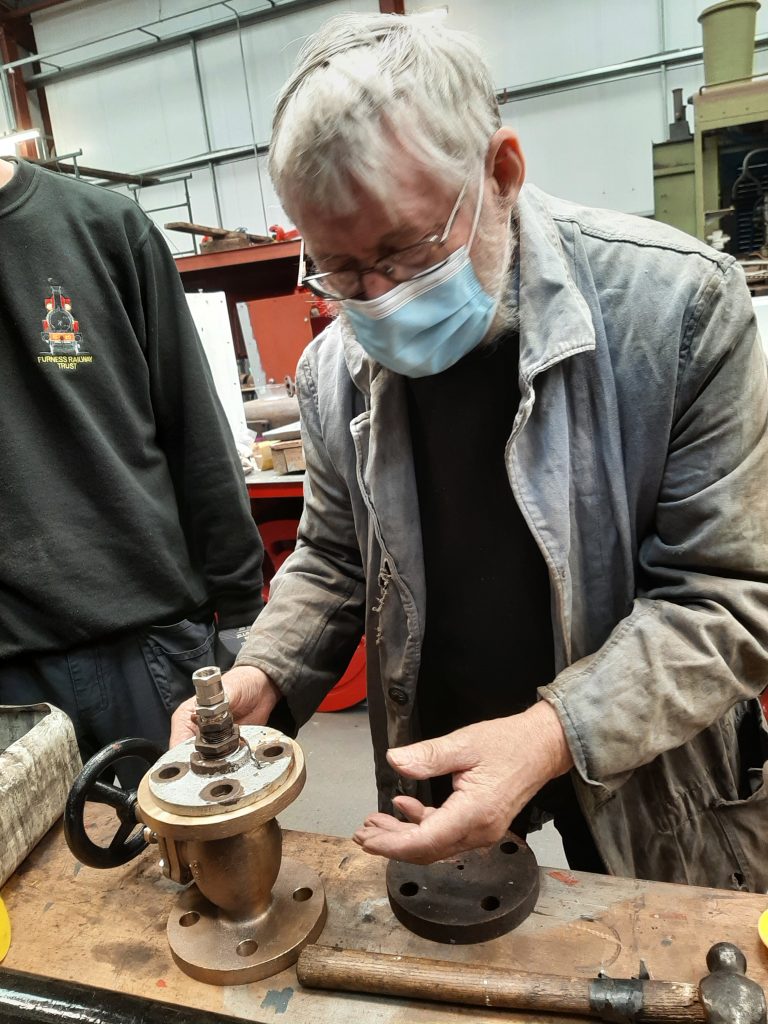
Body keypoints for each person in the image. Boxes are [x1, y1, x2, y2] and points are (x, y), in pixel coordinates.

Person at [170, 13, 768, 889]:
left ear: (501, 172)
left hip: (645, 767)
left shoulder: (675, 311)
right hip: (440, 753)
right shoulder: (334, 370)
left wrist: (552, 733)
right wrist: (266, 669)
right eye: (338, 271)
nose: (376, 302)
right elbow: (335, 558)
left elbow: (725, 595)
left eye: (404, 252)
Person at [0, 155, 264, 763]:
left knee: (199, 853)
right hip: (8, 674)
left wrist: (244, 612)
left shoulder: (104, 227)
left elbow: (194, 426)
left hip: (146, 647)